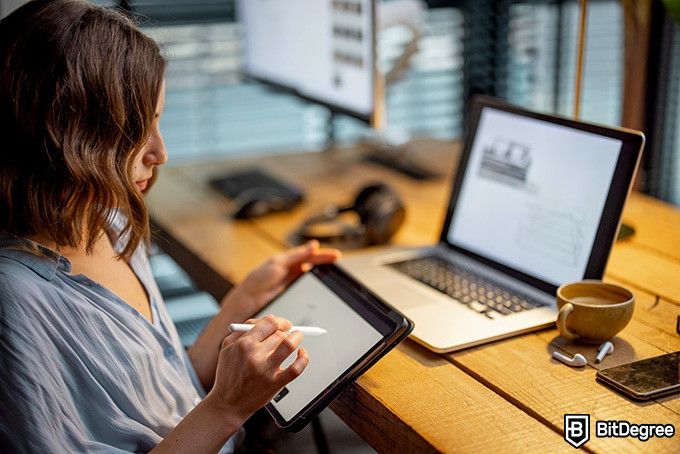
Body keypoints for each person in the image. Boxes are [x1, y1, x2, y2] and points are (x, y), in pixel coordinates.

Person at [0, 1, 340, 452]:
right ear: (63, 136)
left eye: (158, 120)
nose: (160, 153)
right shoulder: (16, 302)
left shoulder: (109, 223)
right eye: (134, 130)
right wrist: (226, 408)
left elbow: (168, 390)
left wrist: (243, 300)